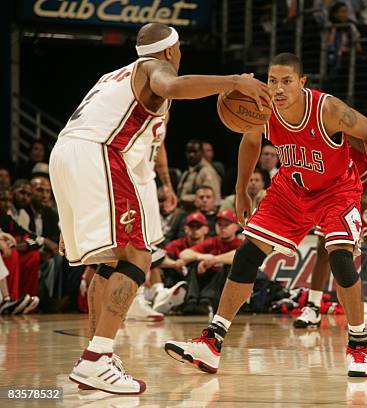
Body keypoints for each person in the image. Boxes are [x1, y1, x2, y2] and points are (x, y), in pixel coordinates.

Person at [49, 22, 271, 395]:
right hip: (101, 154)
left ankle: (93, 354)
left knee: (108, 260)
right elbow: (171, 87)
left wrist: (164, 184)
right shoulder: (154, 68)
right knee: (138, 254)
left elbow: (149, 140)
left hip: (69, 156)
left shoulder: (111, 78)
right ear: (172, 50)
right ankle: (97, 359)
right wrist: (234, 81)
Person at [164, 53, 367, 378]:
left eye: (286, 81)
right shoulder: (263, 108)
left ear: (302, 82)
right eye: (273, 80)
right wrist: (242, 189)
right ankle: (212, 342)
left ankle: (359, 345)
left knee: (341, 259)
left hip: (336, 191)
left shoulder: (326, 109)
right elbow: (249, 143)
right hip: (290, 189)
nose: (278, 88)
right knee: (246, 255)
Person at [294, 140, 367, 331]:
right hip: (336, 197)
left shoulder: (357, 134)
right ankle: (313, 307)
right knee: (323, 250)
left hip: (363, 195)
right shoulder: (324, 136)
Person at [177, 139, 222, 209]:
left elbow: (212, 198)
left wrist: (183, 198)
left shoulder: (207, 172)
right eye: (189, 152)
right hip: (184, 210)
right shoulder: (187, 172)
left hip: (202, 213)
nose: (191, 155)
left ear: (201, 153)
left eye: (195, 152)